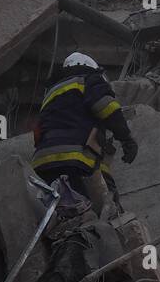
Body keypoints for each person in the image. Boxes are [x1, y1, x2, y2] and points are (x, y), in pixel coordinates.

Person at [32, 52, 138, 215]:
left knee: (58, 212)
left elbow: (39, 131)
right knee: (90, 213)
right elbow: (107, 108)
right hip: (75, 160)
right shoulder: (87, 79)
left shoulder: (51, 93)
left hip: (43, 163)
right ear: (91, 68)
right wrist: (127, 139)